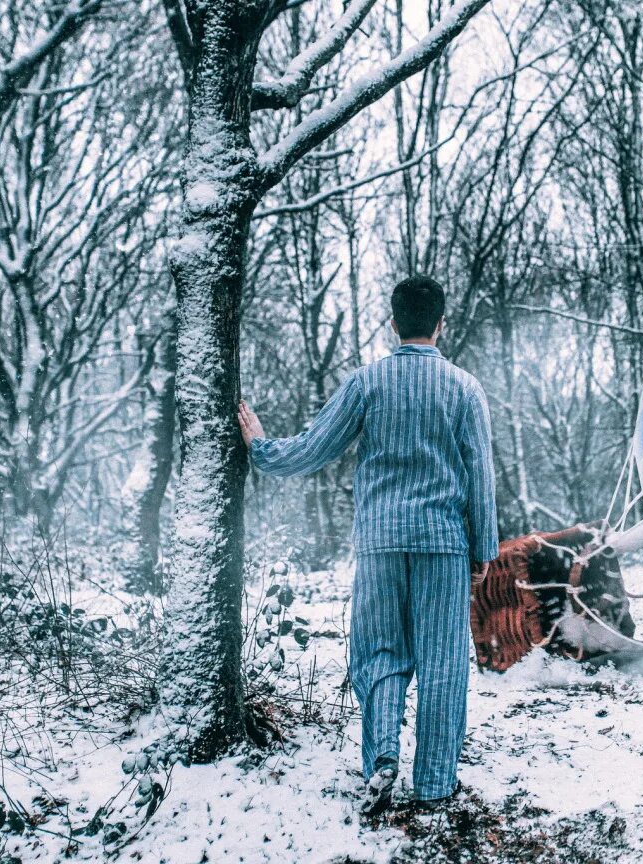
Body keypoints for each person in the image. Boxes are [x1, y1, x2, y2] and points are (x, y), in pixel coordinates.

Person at [237, 276, 499, 817]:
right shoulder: (464, 388)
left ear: (393, 321)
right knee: (443, 661)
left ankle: (381, 754)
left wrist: (260, 446)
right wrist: (483, 551)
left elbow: (312, 450)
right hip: (443, 546)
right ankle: (433, 782)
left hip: (380, 543)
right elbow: (481, 478)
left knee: (378, 652)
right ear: (441, 323)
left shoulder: (367, 383)